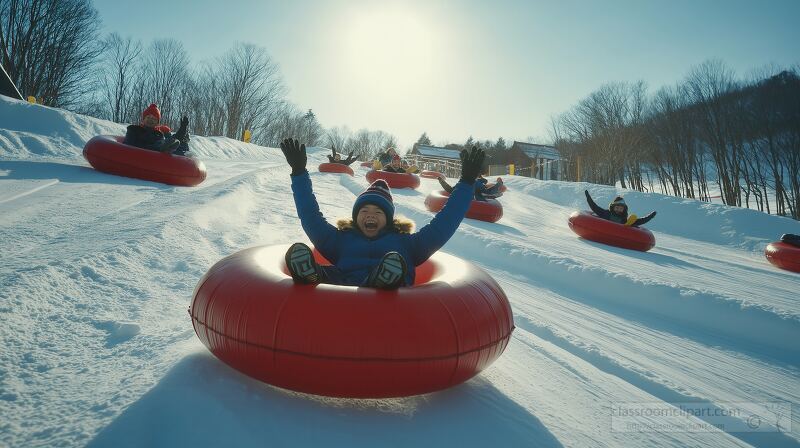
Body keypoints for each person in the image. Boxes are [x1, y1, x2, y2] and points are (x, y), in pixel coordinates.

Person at [280, 138, 484, 289]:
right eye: (364, 210)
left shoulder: (408, 244)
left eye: (378, 211)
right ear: (355, 217)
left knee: (395, 267)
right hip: (343, 289)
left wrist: (466, 183)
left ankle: (384, 280)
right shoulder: (340, 241)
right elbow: (310, 217)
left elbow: (444, 224)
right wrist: (299, 173)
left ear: (388, 219)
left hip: (392, 296)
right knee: (327, 273)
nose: (370, 215)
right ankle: (312, 275)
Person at [123, 104, 191, 155]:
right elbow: (127, 145)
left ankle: (183, 147)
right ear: (143, 119)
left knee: (168, 143)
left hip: (155, 158)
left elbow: (174, 139)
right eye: (148, 117)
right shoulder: (134, 129)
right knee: (159, 144)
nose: (150, 120)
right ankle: (161, 148)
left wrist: (183, 129)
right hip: (137, 153)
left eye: (154, 119)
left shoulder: (158, 134)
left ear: (157, 123)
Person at [584, 190, 656, 227]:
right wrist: (588, 198)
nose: (618, 209)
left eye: (621, 208)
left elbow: (640, 221)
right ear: (613, 207)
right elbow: (595, 207)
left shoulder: (624, 219)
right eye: (617, 207)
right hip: (602, 229)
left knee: (633, 218)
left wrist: (650, 216)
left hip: (618, 233)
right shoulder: (606, 213)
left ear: (624, 210)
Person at [438, 174, 503, 201]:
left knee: (484, 192)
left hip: (476, 188)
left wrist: (441, 181)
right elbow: (484, 181)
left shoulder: (459, 185)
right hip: (476, 187)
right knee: (484, 191)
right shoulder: (460, 184)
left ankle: (495, 189)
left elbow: (449, 189)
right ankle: (496, 189)